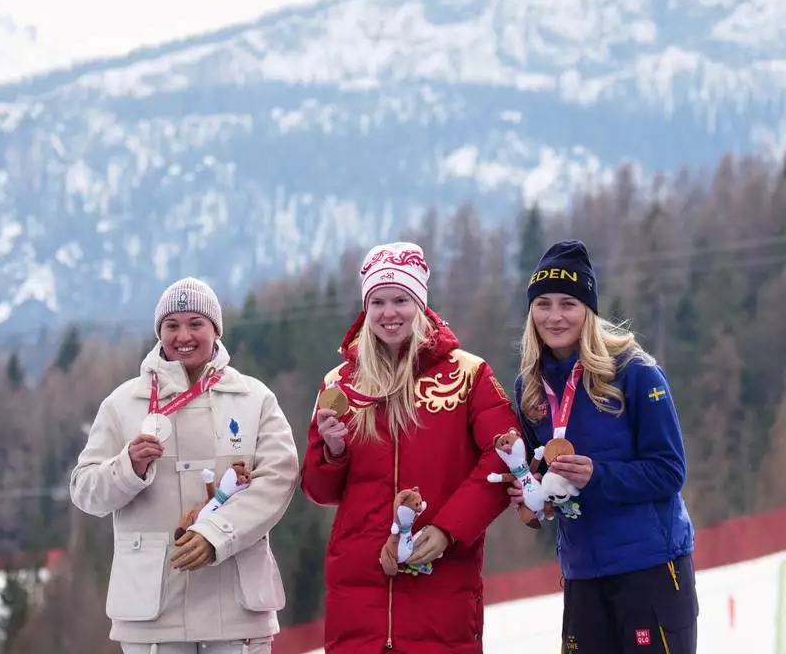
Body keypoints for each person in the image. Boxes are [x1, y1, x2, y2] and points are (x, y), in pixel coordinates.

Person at [301, 242, 521, 654]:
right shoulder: (339, 383)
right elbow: (319, 490)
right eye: (378, 301)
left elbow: (506, 457)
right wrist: (331, 452)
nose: (389, 313)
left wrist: (448, 530)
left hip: (441, 587)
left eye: (401, 299)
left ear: (420, 302)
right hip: (358, 598)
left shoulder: (468, 374)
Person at [70, 277, 300, 654]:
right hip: (154, 614)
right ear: (159, 333)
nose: (184, 336)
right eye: (171, 326)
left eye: (196, 323)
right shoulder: (123, 403)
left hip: (238, 610)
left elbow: (279, 480)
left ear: (216, 330)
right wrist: (128, 467)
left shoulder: (254, 398)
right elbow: (84, 492)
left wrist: (217, 535)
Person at [507, 240, 699, 653]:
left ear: (588, 310)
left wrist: (598, 475)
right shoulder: (529, 388)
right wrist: (533, 494)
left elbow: (670, 471)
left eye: (568, 304)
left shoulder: (634, 372)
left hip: (649, 567)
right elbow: (539, 471)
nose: (554, 316)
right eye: (543, 304)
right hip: (582, 572)